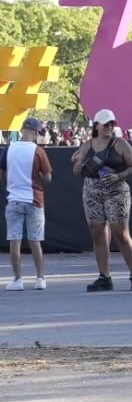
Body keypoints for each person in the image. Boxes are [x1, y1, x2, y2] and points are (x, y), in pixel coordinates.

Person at [72, 109, 132, 292]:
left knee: (120, 233)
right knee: (97, 233)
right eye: (106, 124)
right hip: (92, 191)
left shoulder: (120, 144)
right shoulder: (88, 145)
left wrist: (119, 175)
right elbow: (76, 166)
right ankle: (104, 276)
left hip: (116, 190)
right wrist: (79, 167)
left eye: (112, 124)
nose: (110, 127)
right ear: (97, 125)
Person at [2, 117, 52, 291]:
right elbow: (48, 178)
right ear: (36, 132)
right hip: (34, 199)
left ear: (23, 130)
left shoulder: (9, 149)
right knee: (35, 240)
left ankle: (17, 280)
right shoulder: (38, 151)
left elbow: (2, 173)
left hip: (13, 199)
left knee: (14, 241)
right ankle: (40, 278)